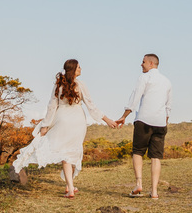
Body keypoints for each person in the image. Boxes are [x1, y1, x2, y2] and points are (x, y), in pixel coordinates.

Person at [9, 59, 118, 198]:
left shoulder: (59, 84)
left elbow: (51, 106)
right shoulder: (81, 85)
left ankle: (70, 187)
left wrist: (45, 125)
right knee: (72, 152)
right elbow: (92, 106)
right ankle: (70, 186)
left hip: (62, 120)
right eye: (78, 67)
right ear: (73, 69)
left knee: (66, 154)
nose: (81, 69)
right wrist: (108, 120)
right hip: (78, 121)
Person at [114, 53, 172, 199]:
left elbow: (135, 98)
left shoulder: (144, 78)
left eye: (143, 62)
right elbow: (168, 106)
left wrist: (124, 116)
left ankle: (139, 184)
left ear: (151, 63)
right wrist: (164, 121)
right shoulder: (167, 82)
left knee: (138, 152)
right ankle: (154, 192)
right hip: (160, 123)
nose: (141, 64)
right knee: (156, 157)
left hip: (144, 121)